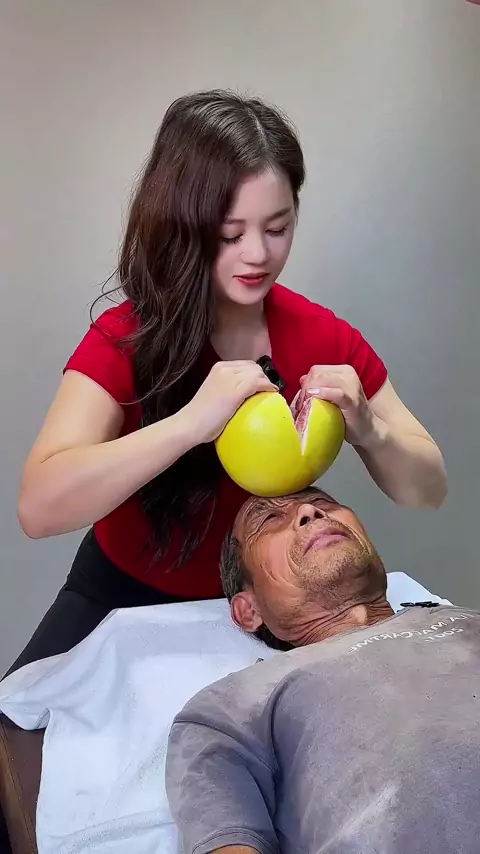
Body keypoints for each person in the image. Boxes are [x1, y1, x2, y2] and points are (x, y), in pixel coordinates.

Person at [11, 89, 446, 675]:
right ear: (182, 224)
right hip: (120, 594)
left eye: (278, 227)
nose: (258, 255)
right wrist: (190, 424)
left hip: (269, 613)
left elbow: (428, 489)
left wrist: (369, 429)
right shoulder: (126, 337)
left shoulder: (324, 336)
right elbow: (38, 508)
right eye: (230, 233)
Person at [166, 488, 479, 854]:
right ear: (249, 610)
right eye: (269, 519)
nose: (309, 511)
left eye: (324, 502)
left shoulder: (467, 620)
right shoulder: (229, 707)